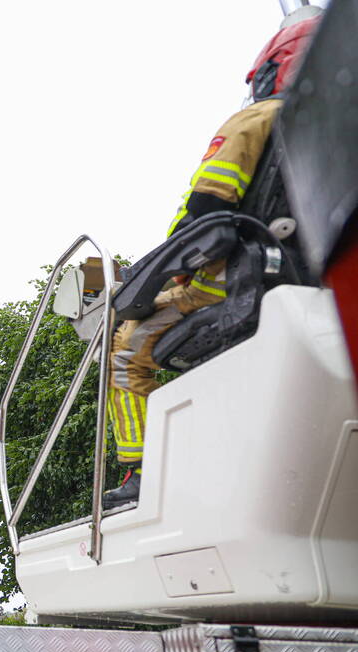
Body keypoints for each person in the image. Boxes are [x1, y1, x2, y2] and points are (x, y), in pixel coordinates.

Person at [102, 8, 323, 509]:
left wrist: (166, 272)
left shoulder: (258, 117)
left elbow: (208, 204)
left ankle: (142, 472)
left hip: (230, 280)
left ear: (273, 69)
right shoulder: (338, 135)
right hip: (315, 285)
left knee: (124, 349)